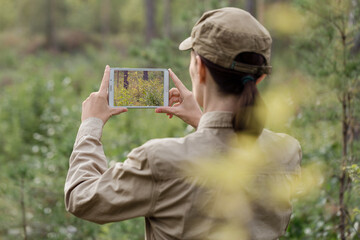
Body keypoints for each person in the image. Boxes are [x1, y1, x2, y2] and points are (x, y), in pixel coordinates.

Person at [65, 7, 301, 240]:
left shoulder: (160, 160)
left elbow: (81, 198)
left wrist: (91, 124)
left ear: (199, 68)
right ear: (260, 77)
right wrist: (202, 121)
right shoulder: (287, 153)